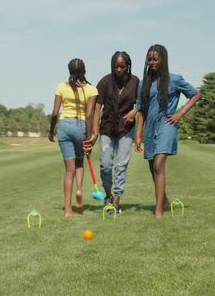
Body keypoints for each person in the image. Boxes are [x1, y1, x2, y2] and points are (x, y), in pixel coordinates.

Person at [134, 44, 201, 219]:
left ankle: (158, 211)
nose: (152, 62)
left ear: (163, 59)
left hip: (167, 125)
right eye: (149, 59)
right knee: (152, 168)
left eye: (156, 59)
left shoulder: (175, 79)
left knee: (158, 165)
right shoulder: (143, 84)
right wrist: (138, 134)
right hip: (150, 127)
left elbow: (195, 95)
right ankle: (164, 201)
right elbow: (140, 110)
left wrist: (180, 113)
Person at [86, 51, 139, 214]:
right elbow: (96, 107)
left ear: (127, 66)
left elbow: (143, 102)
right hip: (107, 130)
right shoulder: (105, 82)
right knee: (106, 166)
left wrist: (134, 111)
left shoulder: (135, 81)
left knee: (121, 165)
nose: (119, 69)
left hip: (126, 131)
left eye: (122, 66)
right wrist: (94, 132)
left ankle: (116, 201)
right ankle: (108, 195)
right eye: (116, 66)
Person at [48, 58, 98, 217]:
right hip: (81, 127)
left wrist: (51, 130)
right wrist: (89, 137)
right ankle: (78, 189)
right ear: (84, 71)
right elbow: (90, 115)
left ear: (69, 71)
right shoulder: (92, 89)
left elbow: (55, 112)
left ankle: (68, 211)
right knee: (79, 163)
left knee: (69, 170)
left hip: (64, 126)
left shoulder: (61, 87)